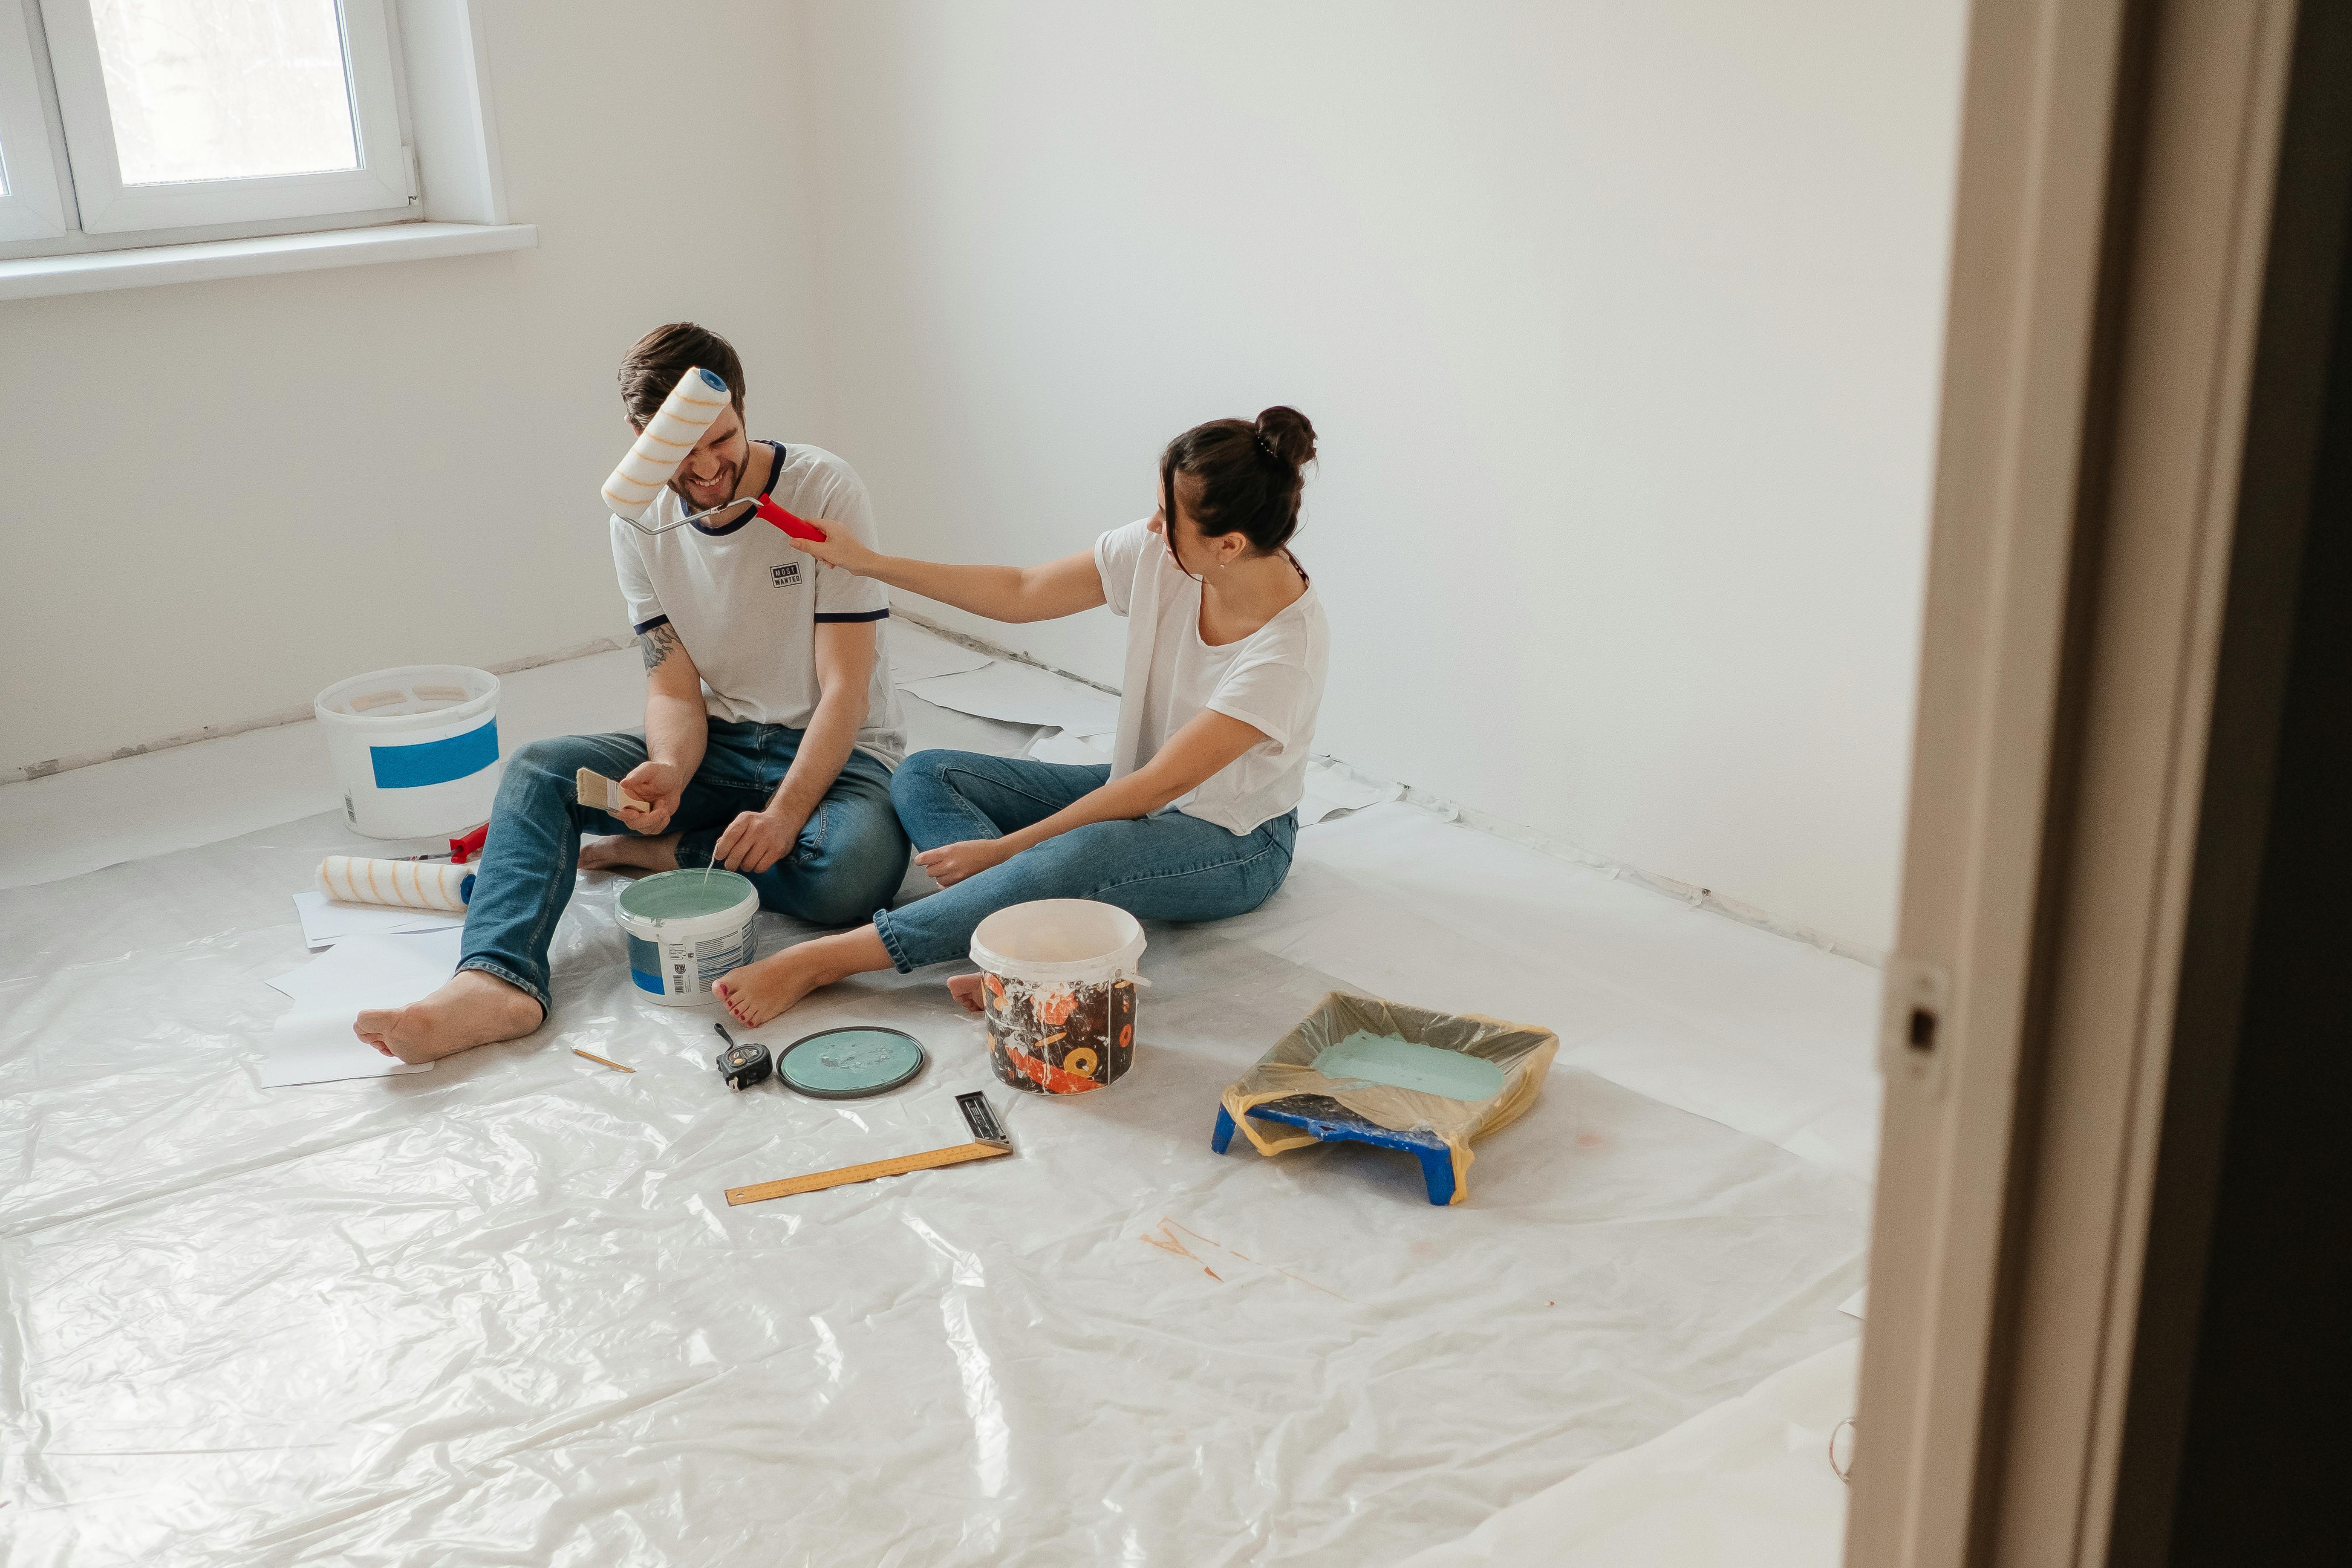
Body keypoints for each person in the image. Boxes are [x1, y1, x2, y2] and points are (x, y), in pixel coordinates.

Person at [355, 323, 911, 1061]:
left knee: (851, 873)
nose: (708, 466)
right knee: (539, 771)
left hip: (840, 754)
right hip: (723, 744)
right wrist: (673, 771)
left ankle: (669, 852)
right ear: (639, 433)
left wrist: (784, 816)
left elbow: (845, 689)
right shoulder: (637, 519)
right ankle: (498, 981)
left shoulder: (823, 487)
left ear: (744, 408)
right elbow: (675, 690)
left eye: (724, 438)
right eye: (682, 448)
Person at [710, 406, 1327, 1028]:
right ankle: (1024, 941)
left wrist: (1005, 850)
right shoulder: (1159, 552)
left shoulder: (1286, 652)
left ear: (1229, 546)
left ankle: (827, 961)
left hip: (1236, 841)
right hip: (1139, 784)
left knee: (1083, 851)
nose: (1152, 526)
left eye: (1170, 520)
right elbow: (1022, 590)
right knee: (926, 774)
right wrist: (867, 562)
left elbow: (1158, 786)